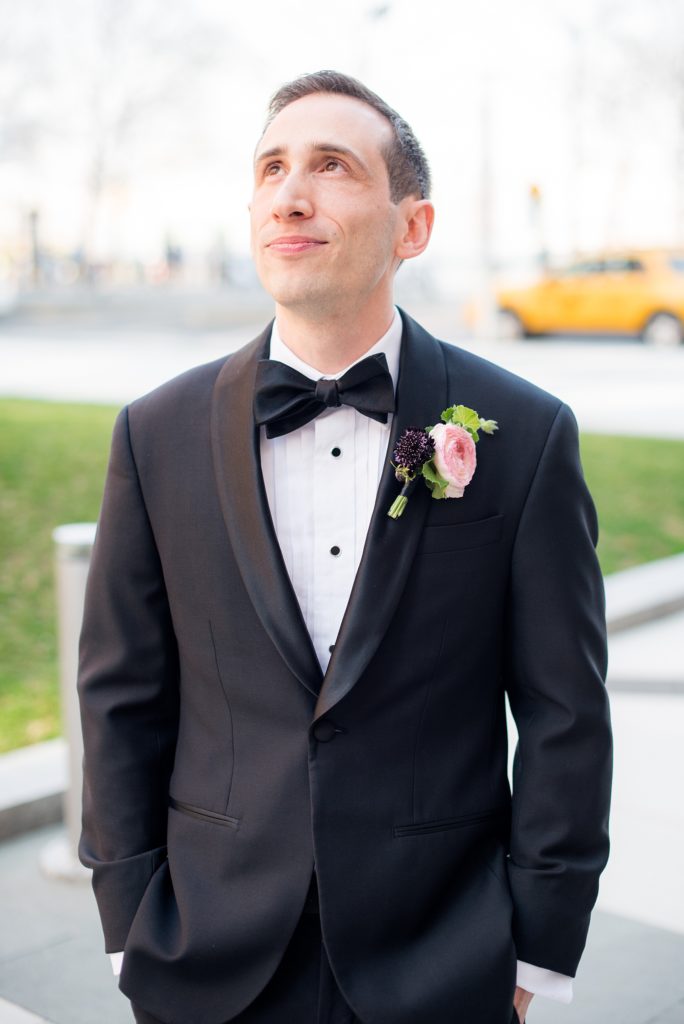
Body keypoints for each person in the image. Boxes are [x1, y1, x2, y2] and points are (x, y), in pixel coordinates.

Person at [77, 71, 613, 1024]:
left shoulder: (524, 434)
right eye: (273, 168)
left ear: (412, 227)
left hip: (445, 955)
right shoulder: (153, 435)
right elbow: (122, 696)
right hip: (207, 951)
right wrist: (127, 919)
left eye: (332, 166)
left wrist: (540, 948)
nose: (291, 192)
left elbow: (566, 713)